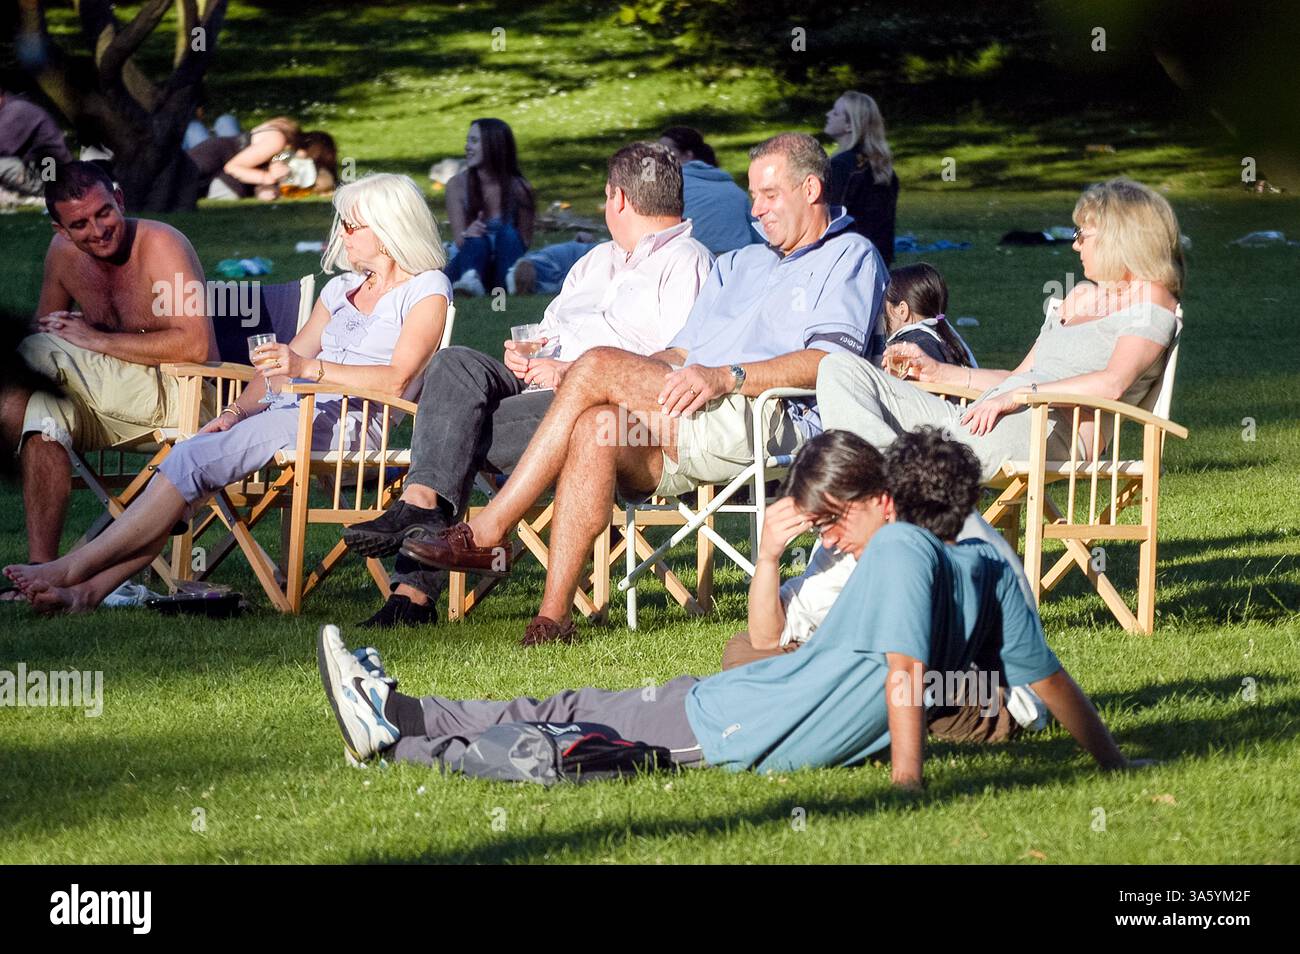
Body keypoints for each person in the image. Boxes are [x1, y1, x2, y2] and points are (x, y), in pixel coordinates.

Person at [317, 430, 1149, 789]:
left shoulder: (902, 550)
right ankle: (399, 713)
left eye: (840, 517)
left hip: (734, 725)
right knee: (573, 709)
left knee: (573, 740)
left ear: (892, 501)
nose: (835, 532)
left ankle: (398, 739)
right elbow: (1051, 681)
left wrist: (907, 781)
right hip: (738, 703)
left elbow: (907, 672)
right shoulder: (982, 562)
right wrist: (1114, 764)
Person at [402, 132, 888, 646]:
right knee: (596, 425)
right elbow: (679, 352)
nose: (756, 210)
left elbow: (830, 362)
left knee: (596, 364)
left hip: (766, 415)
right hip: (688, 411)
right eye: (753, 196)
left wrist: (725, 375)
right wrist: (619, 375)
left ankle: (490, 530)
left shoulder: (849, 256)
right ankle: (553, 619)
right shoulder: (739, 264)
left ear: (810, 189)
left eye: (769, 195)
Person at [3, 173, 450, 613]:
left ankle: (69, 569)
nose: (340, 235)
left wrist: (306, 369)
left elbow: (396, 379)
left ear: (386, 228)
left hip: (348, 424)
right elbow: (277, 367)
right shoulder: (339, 290)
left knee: (188, 462)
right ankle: (85, 594)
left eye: (351, 226)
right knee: (187, 465)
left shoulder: (425, 288)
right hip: (289, 412)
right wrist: (234, 413)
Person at [342, 143, 714, 628]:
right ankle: (422, 507)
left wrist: (574, 371)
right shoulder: (596, 261)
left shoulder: (687, 262)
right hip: (538, 388)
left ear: (617, 198)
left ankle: (412, 594)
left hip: (600, 416)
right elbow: (550, 331)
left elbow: (676, 365)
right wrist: (529, 354)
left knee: (451, 434)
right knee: (455, 364)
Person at [817, 178, 1183, 482]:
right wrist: (938, 371)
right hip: (983, 416)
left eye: (1081, 234)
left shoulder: (1150, 300)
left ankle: (880, 486)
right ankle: (881, 482)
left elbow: (1112, 384)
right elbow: (1015, 376)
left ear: (1118, 237)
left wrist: (1021, 396)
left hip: (1046, 432)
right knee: (839, 369)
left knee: (923, 454)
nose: (1074, 244)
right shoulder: (1080, 296)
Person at [725, 428, 1047, 739]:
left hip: (984, 688)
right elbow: (766, 640)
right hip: (902, 670)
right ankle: (823, 708)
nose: (828, 539)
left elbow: (913, 655)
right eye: (818, 527)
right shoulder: (844, 542)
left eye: (832, 520)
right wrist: (768, 557)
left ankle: (817, 713)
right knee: (743, 650)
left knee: (874, 673)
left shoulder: (936, 516)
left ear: (879, 499)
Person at [0, 162, 216, 577]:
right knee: (43, 416)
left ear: (119, 199)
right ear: (61, 230)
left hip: (183, 399)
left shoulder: (161, 244)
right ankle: (42, 570)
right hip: (110, 406)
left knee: (33, 352)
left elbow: (197, 346)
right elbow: (50, 330)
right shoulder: (62, 255)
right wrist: (75, 339)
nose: (98, 230)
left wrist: (95, 340)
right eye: (80, 224)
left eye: (104, 213)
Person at [441, 118, 535, 296]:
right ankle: (470, 283)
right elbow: (460, 240)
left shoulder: (520, 188)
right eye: (468, 140)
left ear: (494, 145)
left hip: (505, 263)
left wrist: (501, 250)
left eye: (474, 141)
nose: (467, 147)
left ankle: (508, 282)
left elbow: (525, 241)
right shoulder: (457, 185)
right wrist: (469, 232)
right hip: (470, 260)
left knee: (509, 234)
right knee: (476, 241)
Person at [823, 91, 899, 265]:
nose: (828, 115)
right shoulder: (884, 169)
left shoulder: (841, 167)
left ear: (850, 125)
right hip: (878, 259)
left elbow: (829, 221)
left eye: (835, 113)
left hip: (846, 259)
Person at [658, 126, 760, 255]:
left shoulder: (669, 187)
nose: (657, 158)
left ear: (688, 155)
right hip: (739, 259)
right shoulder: (735, 191)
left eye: (666, 153)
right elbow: (760, 237)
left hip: (691, 259)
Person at [185, 116, 336, 203]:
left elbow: (276, 158)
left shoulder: (285, 141)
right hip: (213, 157)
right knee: (182, 180)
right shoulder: (278, 140)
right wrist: (268, 177)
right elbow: (233, 167)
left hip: (220, 159)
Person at [880, 263, 975, 369]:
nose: (882, 314)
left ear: (902, 310)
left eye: (884, 308)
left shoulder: (912, 349)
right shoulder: (949, 338)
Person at [0, 88, 72, 204]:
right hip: (41, 170)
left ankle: (48, 194)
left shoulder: (16, 110)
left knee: (2, 165)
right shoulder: (9, 107)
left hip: (53, 176)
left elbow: (3, 148)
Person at [506, 231, 599, 296]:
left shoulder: (543, 270)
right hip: (582, 252)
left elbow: (566, 284)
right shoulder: (533, 259)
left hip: (587, 255)